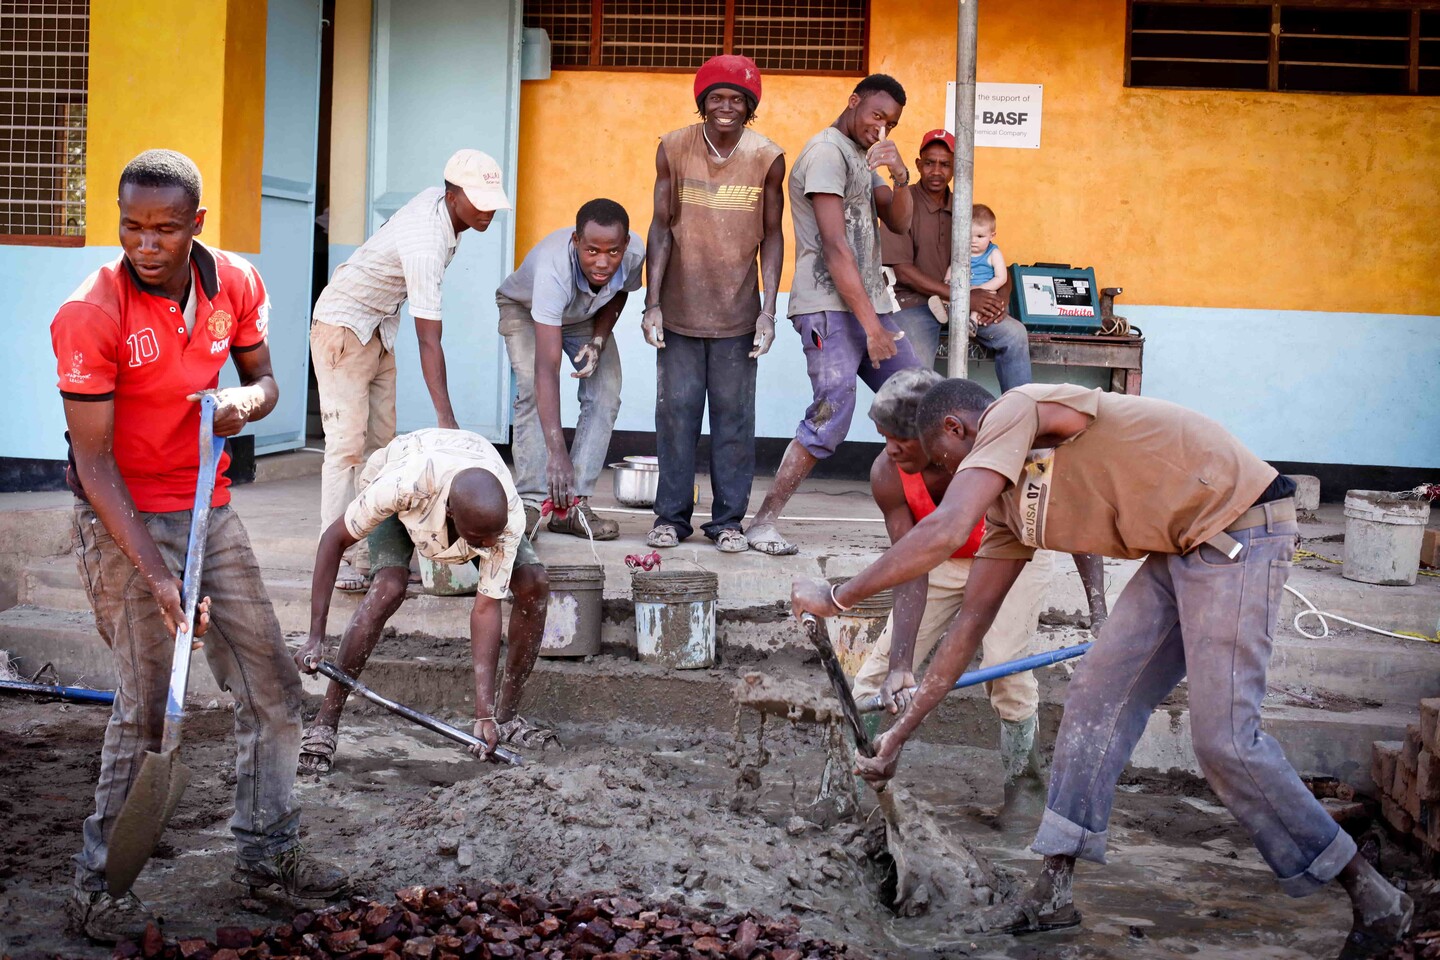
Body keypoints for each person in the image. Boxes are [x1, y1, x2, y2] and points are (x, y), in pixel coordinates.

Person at [791, 379, 1412, 955]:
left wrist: (838, 598)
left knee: (1224, 740)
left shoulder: (1016, 408)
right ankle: (1054, 890)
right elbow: (966, 631)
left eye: (944, 461)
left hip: (1239, 526)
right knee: (1093, 700)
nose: (950, 477)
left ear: (957, 428)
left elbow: (947, 528)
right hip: (1177, 549)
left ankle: (1373, 896)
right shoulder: (1007, 511)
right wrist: (899, 735)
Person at [51, 149, 346, 942]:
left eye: (165, 229)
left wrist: (246, 402)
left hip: (208, 509)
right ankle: (97, 889)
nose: (146, 245)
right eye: (132, 227)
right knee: (148, 704)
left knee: (273, 686)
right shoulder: (91, 313)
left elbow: (268, 380)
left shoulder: (235, 283)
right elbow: (93, 461)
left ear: (196, 225)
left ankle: (267, 857)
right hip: (121, 518)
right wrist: (156, 573)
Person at [294, 428, 552, 773]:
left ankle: (504, 720)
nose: (489, 547)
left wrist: (484, 713)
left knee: (533, 581)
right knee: (389, 587)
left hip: (468, 484)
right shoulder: (400, 485)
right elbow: (333, 540)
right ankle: (325, 723)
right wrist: (315, 636)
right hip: (406, 486)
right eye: (480, 539)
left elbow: (485, 607)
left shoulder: (506, 517)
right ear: (451, 514)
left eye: (494, 538)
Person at [311, 149, 511, 591]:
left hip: (378, 329)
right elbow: (428, 339)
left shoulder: (442, 209)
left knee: (383, 451)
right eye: (478, 202)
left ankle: (378, 554)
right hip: (342, 327)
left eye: (492, 202)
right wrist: (447, 423)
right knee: (346, 449)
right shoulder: (427, 242)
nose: (487, 212)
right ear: (452, 195)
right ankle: (335, 556)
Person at [854, 369, 1057, 800]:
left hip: (1017, 556)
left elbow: (1067, 517)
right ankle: (849, 787)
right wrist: (901, 665)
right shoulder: (888, 474)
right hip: (941, 563)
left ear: (936, 431)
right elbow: (910, 567)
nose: (890, 449)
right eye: (883, 437)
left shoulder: (1005, 453)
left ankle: (1024, 792)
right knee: (874, 678)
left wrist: (1098, 611)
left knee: (1006, 670)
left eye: (901, 438)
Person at [745, 74, 921, 557]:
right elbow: (835, 247)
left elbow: (900, 221)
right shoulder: (826, 152)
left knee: (920, 399)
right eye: (877, 116)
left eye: (892, 124)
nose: (881, 129)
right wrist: (872, 328)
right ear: (853, 102)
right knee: (832, 410)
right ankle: (763, 523)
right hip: (828, 307)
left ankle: (928, 521)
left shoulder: (863, 156)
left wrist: (901, 176)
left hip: (871, 305)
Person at [643, 55, 785, 554]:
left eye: (737, 99)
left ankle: (728, 523)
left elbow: (773, 236)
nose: (726, 107)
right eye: (717, 98)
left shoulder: (767, 157)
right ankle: (670, 519)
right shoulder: (673, 147)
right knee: (676, 417)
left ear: (750, 106)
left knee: (734, 422)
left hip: (738, 316)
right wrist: (651, 303)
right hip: (679, 312)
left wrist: (768, 312)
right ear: (702, 102)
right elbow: (660, 227)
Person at [496, 200, 643, 540]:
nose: (603, 262)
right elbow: (547, 369)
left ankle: (572, 506)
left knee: (606, 390)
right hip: (526, 310)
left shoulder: (635, 253)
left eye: (613, 251)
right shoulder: (554, 270)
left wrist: (598, 340)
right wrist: (557, 454)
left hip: (583, 316)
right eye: (592, 251)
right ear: (576, 241)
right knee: (531, 388)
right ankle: (531, 502)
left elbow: (619, 292)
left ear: (624, 245)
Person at [880, 132, 1031, 385]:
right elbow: (903, 272)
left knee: (1015, 335)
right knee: (915, 373)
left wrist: (999, 302)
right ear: (918, 164)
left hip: (965, 304)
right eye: (929, 163)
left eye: (945, 164)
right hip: (913, 304)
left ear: (955, 168)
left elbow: (994, 261)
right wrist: (965, 297)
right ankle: (919, 414)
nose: (936, 171)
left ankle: (1017, 409)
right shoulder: (902, 203)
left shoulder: (965, 207)